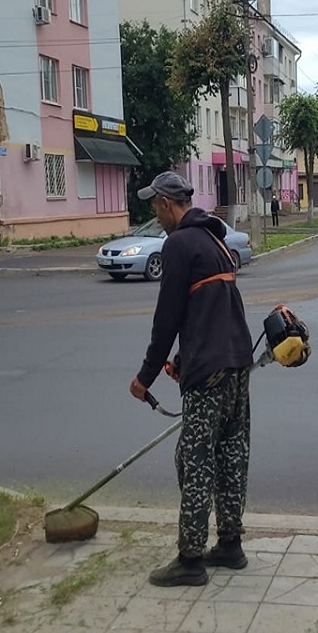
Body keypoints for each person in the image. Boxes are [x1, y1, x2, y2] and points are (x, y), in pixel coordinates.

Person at [129, 171, 255, 587]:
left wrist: (145, 375)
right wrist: (187, 355)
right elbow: (212, 309)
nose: (155, 214)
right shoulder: (215, 239)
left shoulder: (179, 243)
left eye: (155, 206)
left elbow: (167, 319)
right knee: (231, 456)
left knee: (194, 459)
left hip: (210, 374)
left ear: (167, 204)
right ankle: (231, 545)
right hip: (238, 365)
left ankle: (190, 559)